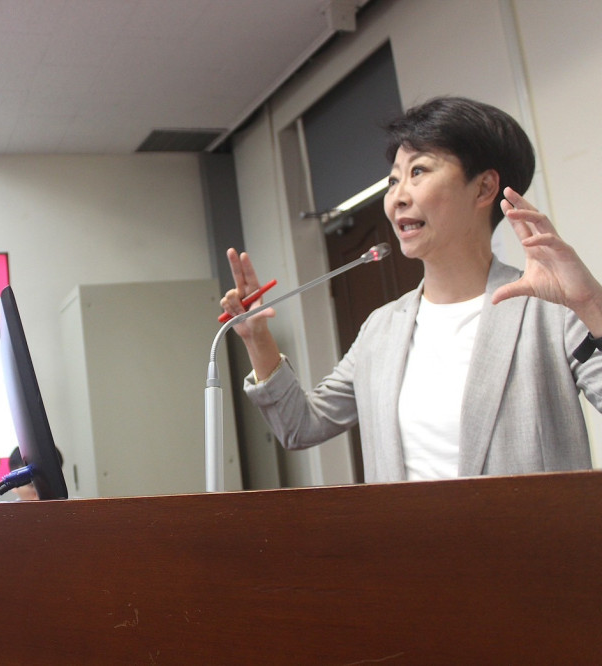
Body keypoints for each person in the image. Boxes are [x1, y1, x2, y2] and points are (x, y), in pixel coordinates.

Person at [221, 96, 602, 482]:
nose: (397, 198)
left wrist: (590, 303)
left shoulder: (550, 312)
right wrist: (257, 337)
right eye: (393, 181)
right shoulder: (380, 329)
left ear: (484, 188)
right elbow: (300, 426)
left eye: (418, 171)